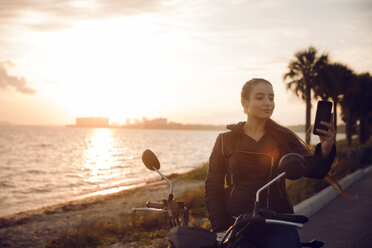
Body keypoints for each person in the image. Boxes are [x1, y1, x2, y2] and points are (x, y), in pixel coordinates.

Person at [205, 78, 336, 248]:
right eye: (260, 97)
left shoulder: (283, 138)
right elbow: (213, 186)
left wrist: (326, 148)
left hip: (278, 223)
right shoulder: (225, 140)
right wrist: (220, 226)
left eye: (271, 98)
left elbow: (316, 170)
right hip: (236, 223)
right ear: (244, 102)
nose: (268, 103)